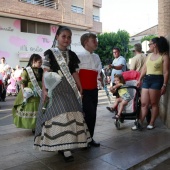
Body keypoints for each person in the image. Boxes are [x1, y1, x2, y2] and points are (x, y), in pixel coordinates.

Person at [34, 26, 91, 162]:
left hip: (69, 89)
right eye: (64, 36)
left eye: (69, 37)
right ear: (57, 37)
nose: (66, 39)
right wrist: (45, 89)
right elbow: (46, 72)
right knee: (60, 114)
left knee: (72, 113)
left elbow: (74, 72)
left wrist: (80, 87)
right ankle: (64, 148)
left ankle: (65, 145)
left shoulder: (72, 55)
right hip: (55, 87)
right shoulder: (50, 53)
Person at [132, 36, 169, 130]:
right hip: (147, 79)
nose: (149, 46)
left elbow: (166, 72)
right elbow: (144, 68)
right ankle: (140, 122)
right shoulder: (148, 56)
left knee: (153, 103)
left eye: (149, 44)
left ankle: (152, 123)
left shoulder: (164, 56)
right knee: (144, 103)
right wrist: (139, 79)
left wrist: (164, 85)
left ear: (155, 45)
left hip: (157, 80)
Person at [77, 33, 102, 147]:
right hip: (84, 90)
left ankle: (89, 138)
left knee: (93, 114)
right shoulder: (79, 56)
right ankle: (83, 139)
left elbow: (98, 72)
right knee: (87, 114)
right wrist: (79, 90)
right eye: (94, 40)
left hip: (94, 90)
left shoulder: (97, 56)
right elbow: (75, 74)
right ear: (86, 42)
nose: (96, 42)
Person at [12, 54, 43, 132]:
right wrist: (24, 94)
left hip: (40, 92)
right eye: (39, 62)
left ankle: (38, 125)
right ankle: (33, 126)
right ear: (34, 61)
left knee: (39, 107)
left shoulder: (41, 70)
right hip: (30, 93)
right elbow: (23, 83)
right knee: (32, 108)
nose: (41, 64)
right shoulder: (27, 70)